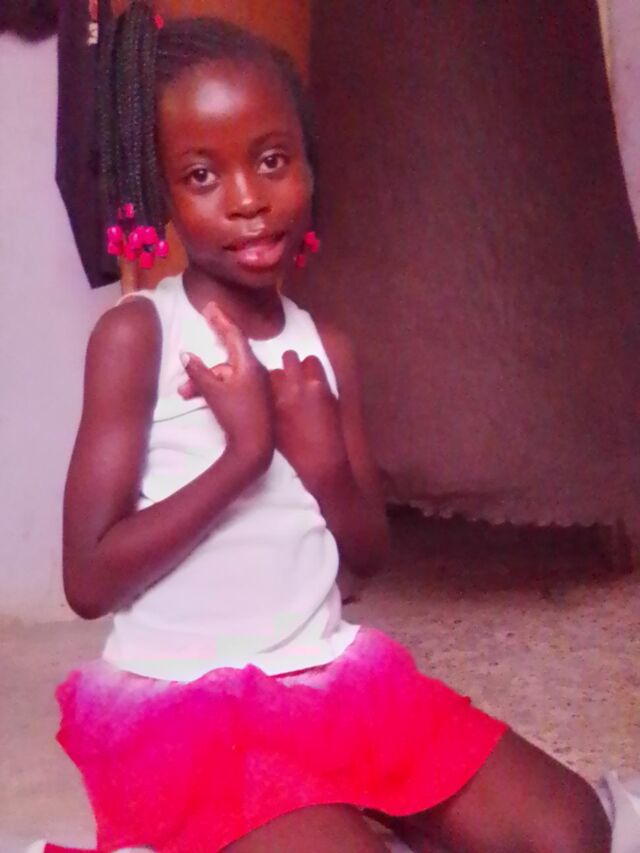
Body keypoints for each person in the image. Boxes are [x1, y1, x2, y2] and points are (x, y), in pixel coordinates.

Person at [33, 4, 611, 851]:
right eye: (202, 175)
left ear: (309, 163)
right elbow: (88, 580)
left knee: (571, 827)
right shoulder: (139, 337)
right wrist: (244, 455)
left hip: (333, 678)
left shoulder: (325, 348)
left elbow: (366, 555)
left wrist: (322, 461)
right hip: (188, 710)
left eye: (271, 161)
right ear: (162, 189)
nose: (247, 200)